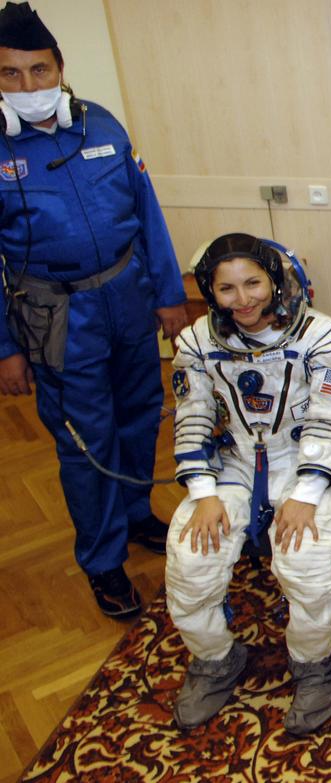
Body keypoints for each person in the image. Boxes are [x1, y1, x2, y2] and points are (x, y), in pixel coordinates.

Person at [0, 2, 185, 618]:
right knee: (85, 442)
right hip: (56, 318)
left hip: (128, 299)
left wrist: (167, 295)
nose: (28, 85)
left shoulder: (102, 125)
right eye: (10, 74)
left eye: (38, 69)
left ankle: (136, 516)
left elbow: (147, 215)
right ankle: (104, 563)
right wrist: (5, 348)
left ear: (59, 68)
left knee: (139, 415)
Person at [165, 233, 331, 735]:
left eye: (253, 283)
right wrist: (203, 495)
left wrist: (306, 493)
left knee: (302, 561)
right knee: (189, 558)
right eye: (226, 288)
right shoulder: (196, 343)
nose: (243, 298)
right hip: (232, 465)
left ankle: (316, 666)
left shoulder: (325, 337)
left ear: (276, 281)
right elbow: (190, 418)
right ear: (210, 291)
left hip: (311, 463)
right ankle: (215, 659)